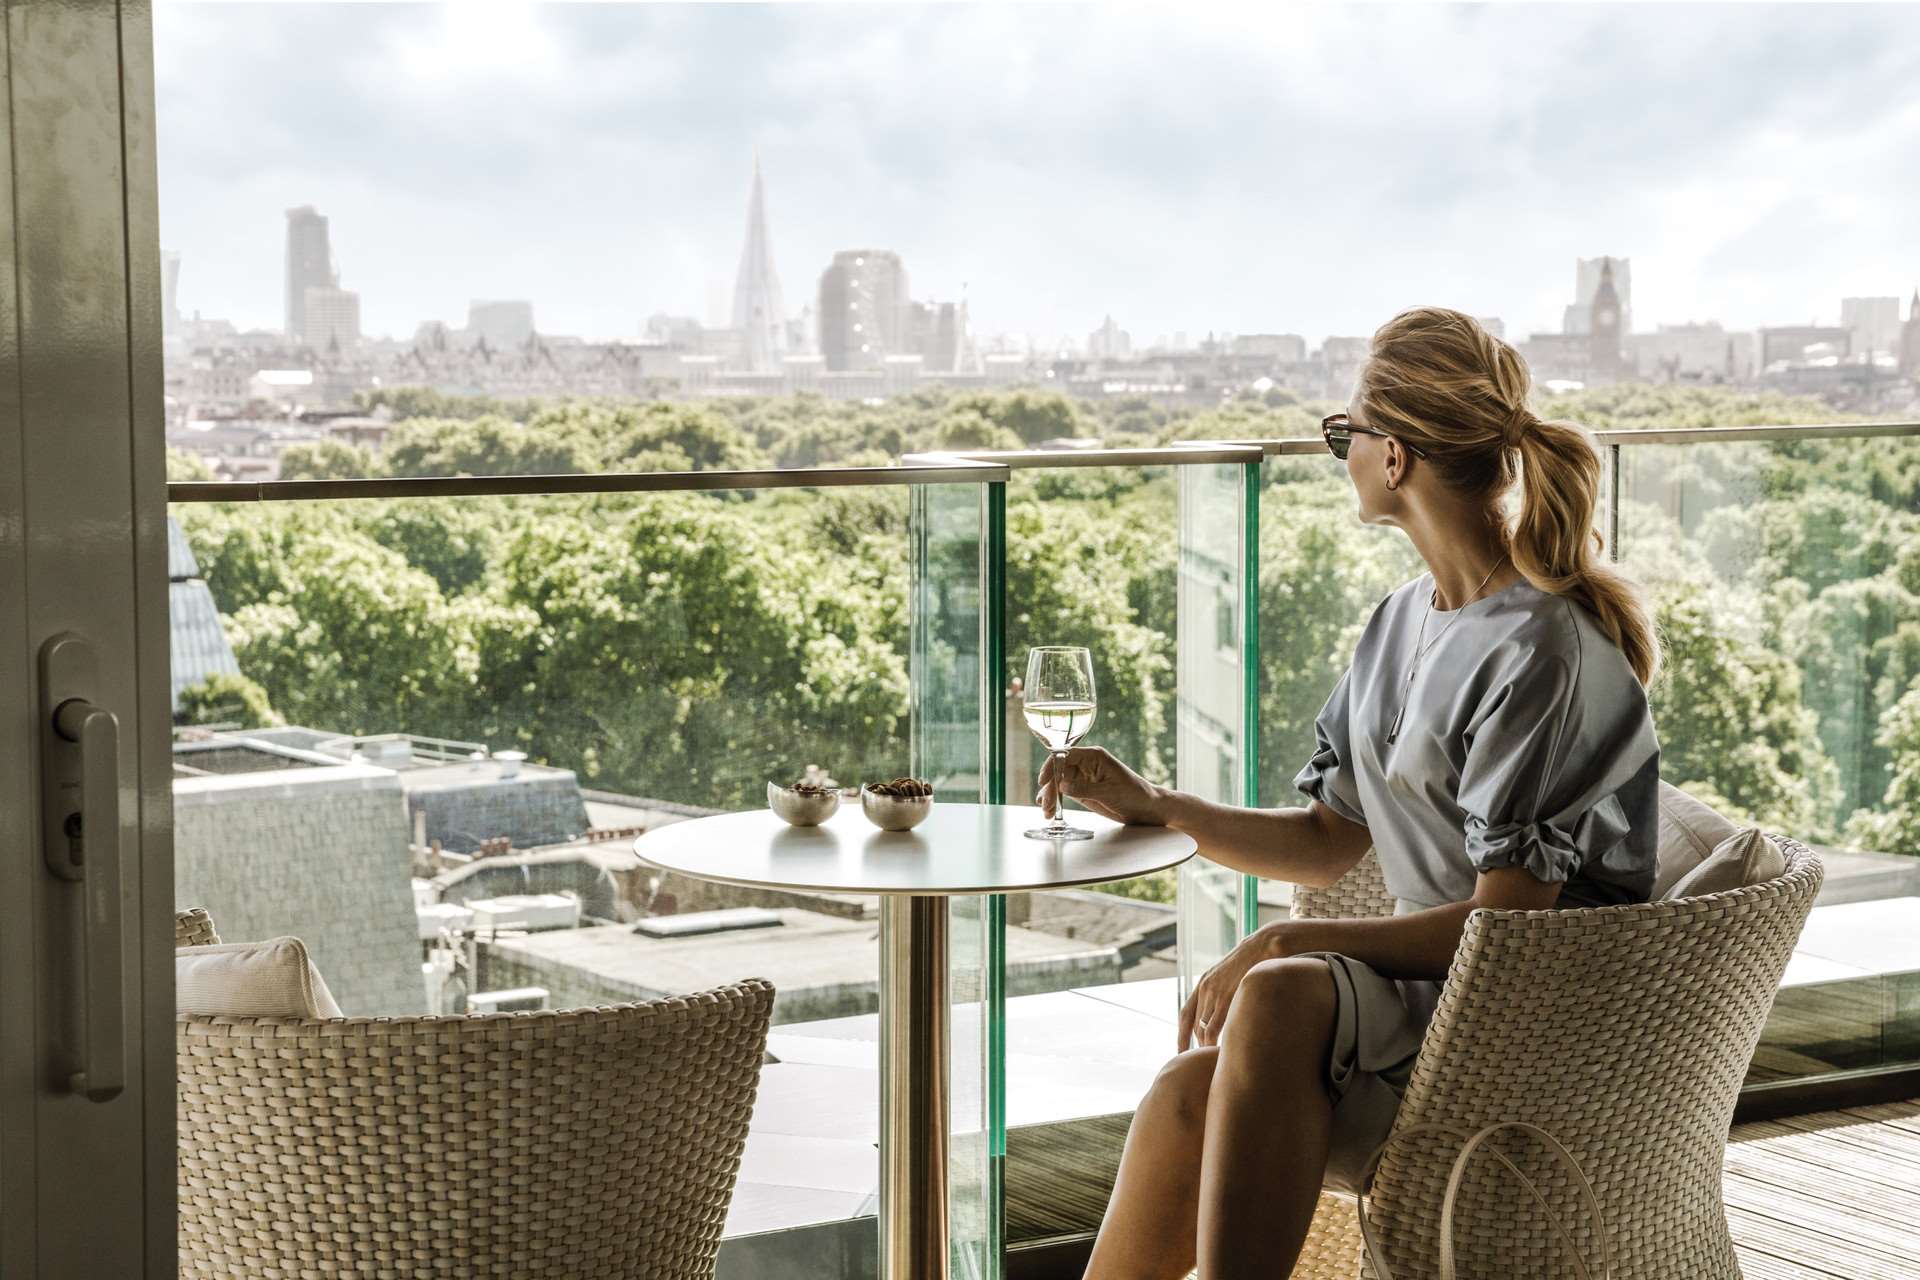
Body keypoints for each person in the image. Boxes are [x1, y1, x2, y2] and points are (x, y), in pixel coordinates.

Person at [1043, 307, 1663, 1280]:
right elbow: (1330, 837)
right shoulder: (1398, 622)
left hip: (1537, 1032)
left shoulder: (1542, 649)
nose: (1341, 455)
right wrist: (1159, 804)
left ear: (1396, 457)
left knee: (1287, 987)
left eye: (1345, 436)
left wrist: (1292, 938)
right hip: (1432, 1014)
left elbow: (1511, 922)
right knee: (1181, 1095)